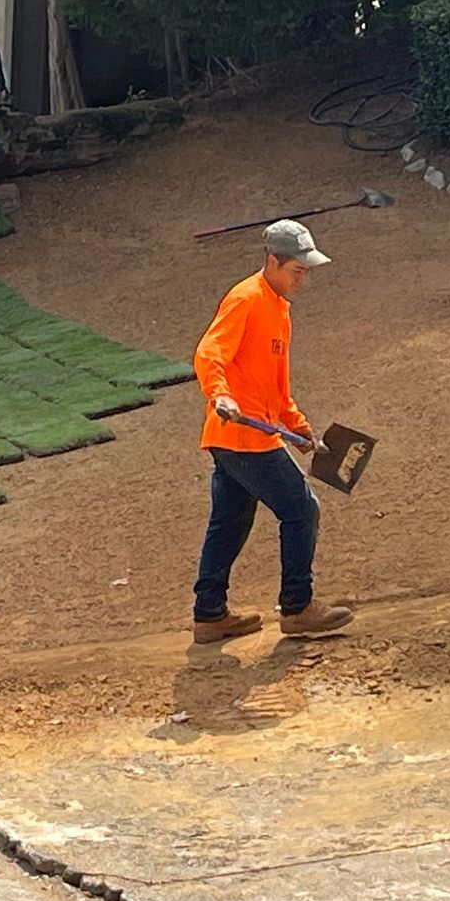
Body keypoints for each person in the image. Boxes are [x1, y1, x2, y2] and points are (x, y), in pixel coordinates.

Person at [190, 219, 354, 644]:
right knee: (302, 508)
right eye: (297, 271)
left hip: (240, 437)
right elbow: (211, 352)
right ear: (272, 262)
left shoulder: (279, 309)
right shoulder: (246, 299)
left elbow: (275, 385)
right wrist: (220, 395)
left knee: (229, 522)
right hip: (241, 435)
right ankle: (298, 607)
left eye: (307, 271)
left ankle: (210, 615)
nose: (303, 279)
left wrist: (299, 427)